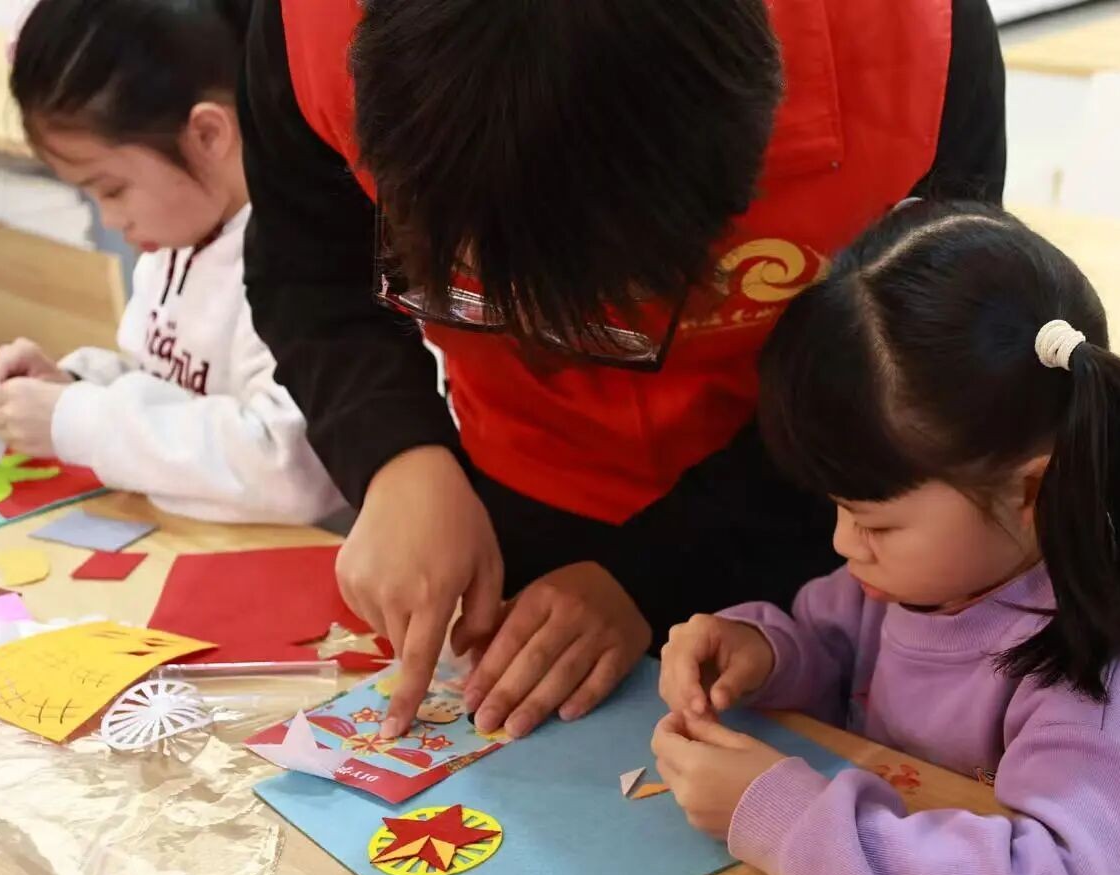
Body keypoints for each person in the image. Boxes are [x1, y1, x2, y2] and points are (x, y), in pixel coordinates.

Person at [240, 0, 1007, 738]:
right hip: (500, 505)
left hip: (803, 511)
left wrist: (653, 570)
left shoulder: (915, 42)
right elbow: (308, 266)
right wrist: (396, 458)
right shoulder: (311, 23)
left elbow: (913, 377)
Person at [652, 202, 1120, 875]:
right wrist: (762, 651)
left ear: (1030, 492)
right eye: (837, 508)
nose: (842, 543)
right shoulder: (912, 578)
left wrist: (783, 819)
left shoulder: (1100, 669)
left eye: (875, 522)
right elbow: (832, 649)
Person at [0, 0, 343, 526]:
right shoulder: (177, 240)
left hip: (307, 555)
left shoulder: (304, 261)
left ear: (208, 135)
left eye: (112, 190)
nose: (110, 220)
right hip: (197, 541)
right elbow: (166, 385)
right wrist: (74, 385)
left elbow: (289, 468)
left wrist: (81, 420)